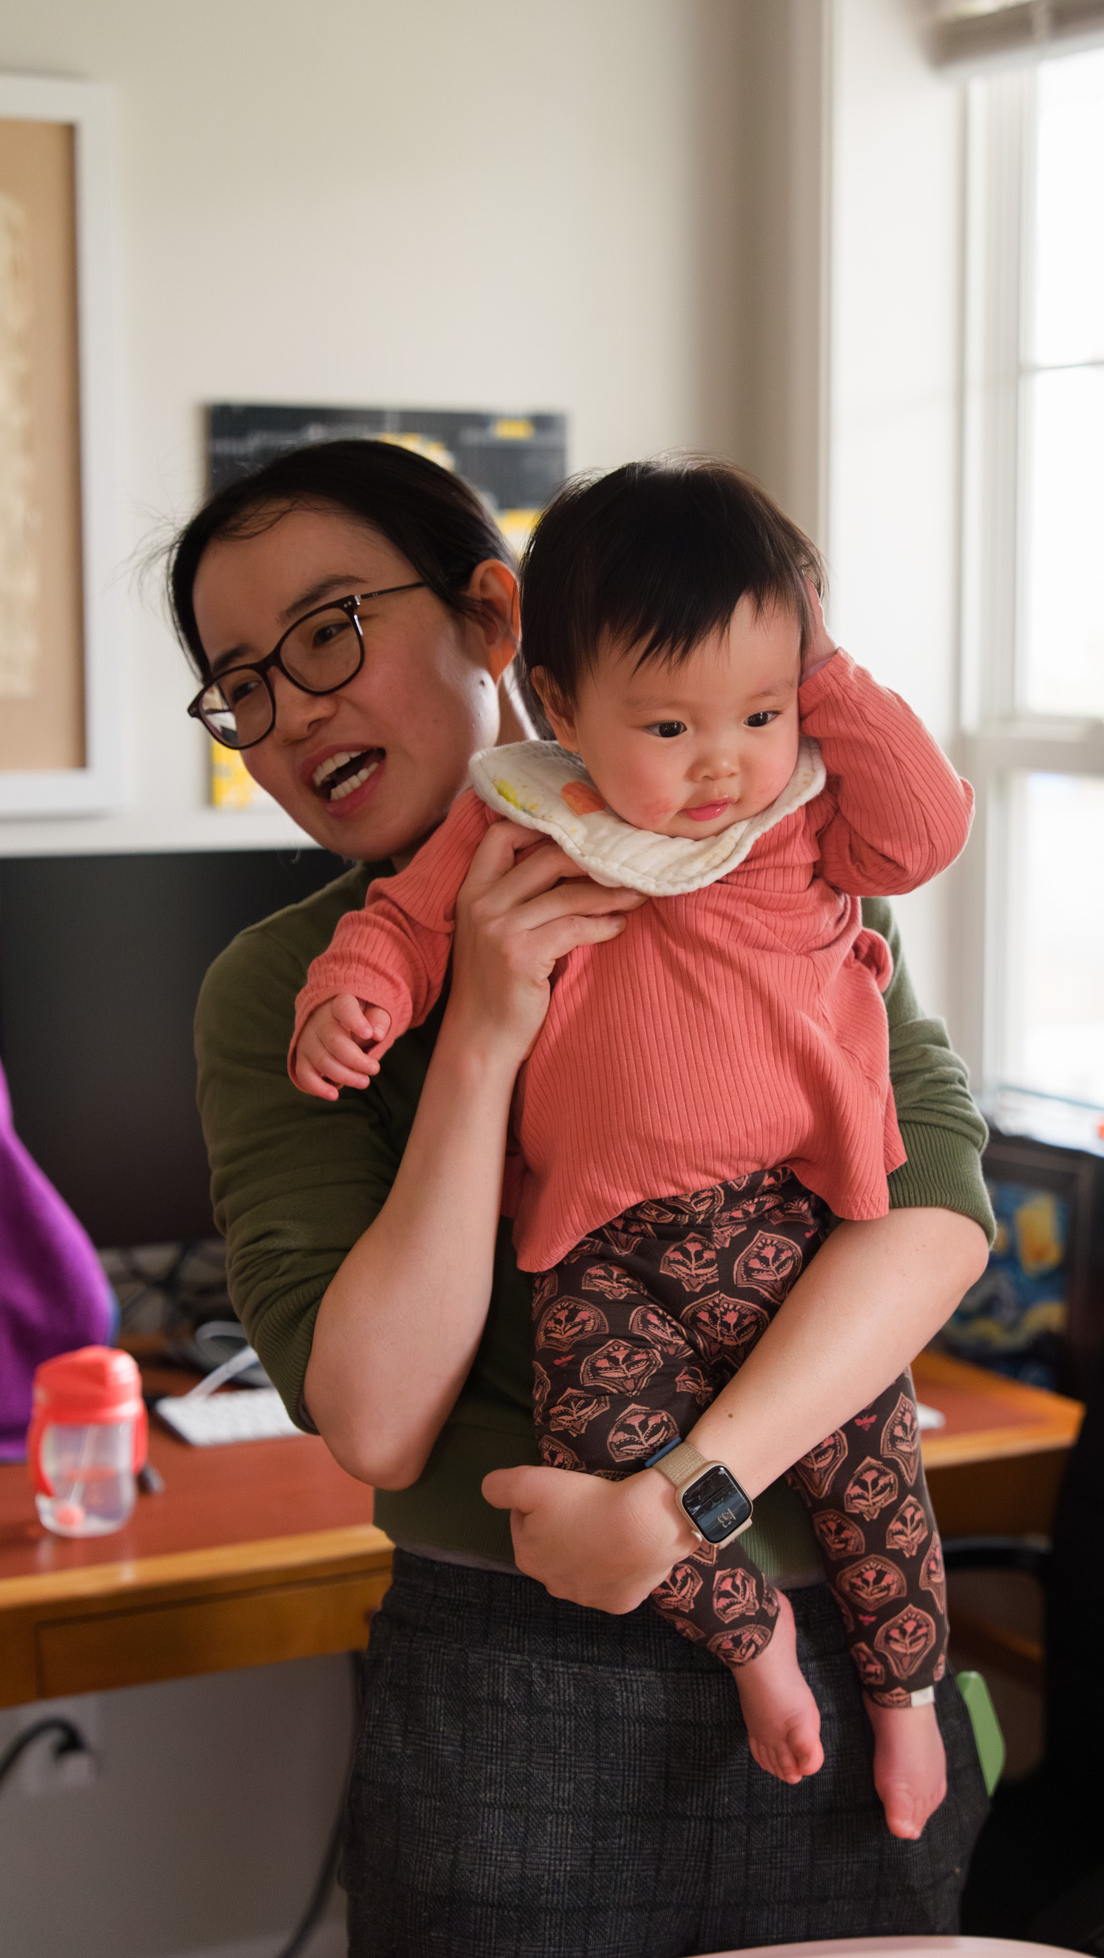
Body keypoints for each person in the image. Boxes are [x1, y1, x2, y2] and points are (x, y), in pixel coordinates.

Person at [177, 439, 995, 1957]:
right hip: (515, 1685)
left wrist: (681, 1504)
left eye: (328, 632)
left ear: (495, 621)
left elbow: (934, 1218)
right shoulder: (292, 990)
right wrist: (484, 1033)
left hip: (848, 1634)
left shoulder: (768, 849)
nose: (293, 712)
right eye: (243, 685)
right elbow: (377, 1420)